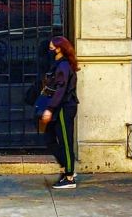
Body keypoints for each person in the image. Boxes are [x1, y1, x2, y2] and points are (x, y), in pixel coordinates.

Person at [41, 36, 80, 189]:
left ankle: (69, 177)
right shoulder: (58, 64)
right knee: (49, 138)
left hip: (64, 107)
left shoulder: (63, 66)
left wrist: (50, 109)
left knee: (65, 141)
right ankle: (66, 167)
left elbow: (60, 90)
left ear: (59, 49)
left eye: (51, 48)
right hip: (58, 107)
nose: (49, 51)